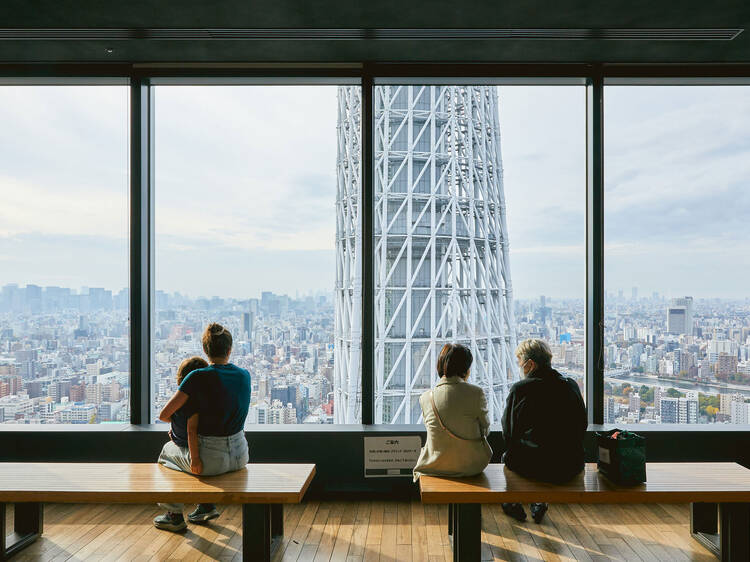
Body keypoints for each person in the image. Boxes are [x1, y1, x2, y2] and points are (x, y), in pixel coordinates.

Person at [154, 323, 251, 532]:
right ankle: (204, 505)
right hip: (241, 455)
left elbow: (165, 414)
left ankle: (173, 514)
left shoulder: (197, 377)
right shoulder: (245, 375)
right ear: (229, 350)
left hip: (211, 460)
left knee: (166, 454)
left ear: (205, 351)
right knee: (185, 456)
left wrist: (177, 426)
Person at [501, 338, 587, 524]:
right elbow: (582, 424)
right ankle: (539, 501)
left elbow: (509, 432)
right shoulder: (569, 384)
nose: (520, 368)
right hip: (570, 466)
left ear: (530, 364)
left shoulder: (521, 390)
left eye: (520, 363)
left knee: (509, 457)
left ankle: (512, 502)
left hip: (535, 467)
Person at [413, 343, 492, 482]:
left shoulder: (426, 398)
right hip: (471, 465)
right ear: (466, 369)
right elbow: (485, 430)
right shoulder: (476, 393)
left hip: (435, 465)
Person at [163, 356, 208, 475]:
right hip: (198, 445)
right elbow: (192, 430)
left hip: (183, 443)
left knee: (164, 453)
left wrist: (176, 425)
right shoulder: (201, 400)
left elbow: (163, 416)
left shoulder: (181, 400)